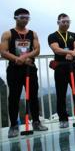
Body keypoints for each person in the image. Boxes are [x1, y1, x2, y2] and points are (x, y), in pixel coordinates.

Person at [0, 8, 48, 138]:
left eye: (27, 18)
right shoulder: (7, 34)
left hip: (29, 68)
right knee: (14, 97)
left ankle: (36, 122)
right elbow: (3, 51)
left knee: (33, 96)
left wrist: (25, 57)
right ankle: (14, 125)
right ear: (16, 18)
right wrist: (17, 59)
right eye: (22, 17)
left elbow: (37, 50)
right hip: (14, 70)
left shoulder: (33, 34)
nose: (25, 20)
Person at [48, 13, 75, 128]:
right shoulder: (52, 35)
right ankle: (63, 119)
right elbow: (56, 49)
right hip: (60, 67)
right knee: (61, 93)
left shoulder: (73, 35)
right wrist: (69, 52)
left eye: (68, 21)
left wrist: (73, 53)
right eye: (63, 21)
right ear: (58, 22)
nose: (66, 23)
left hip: (73, 65)